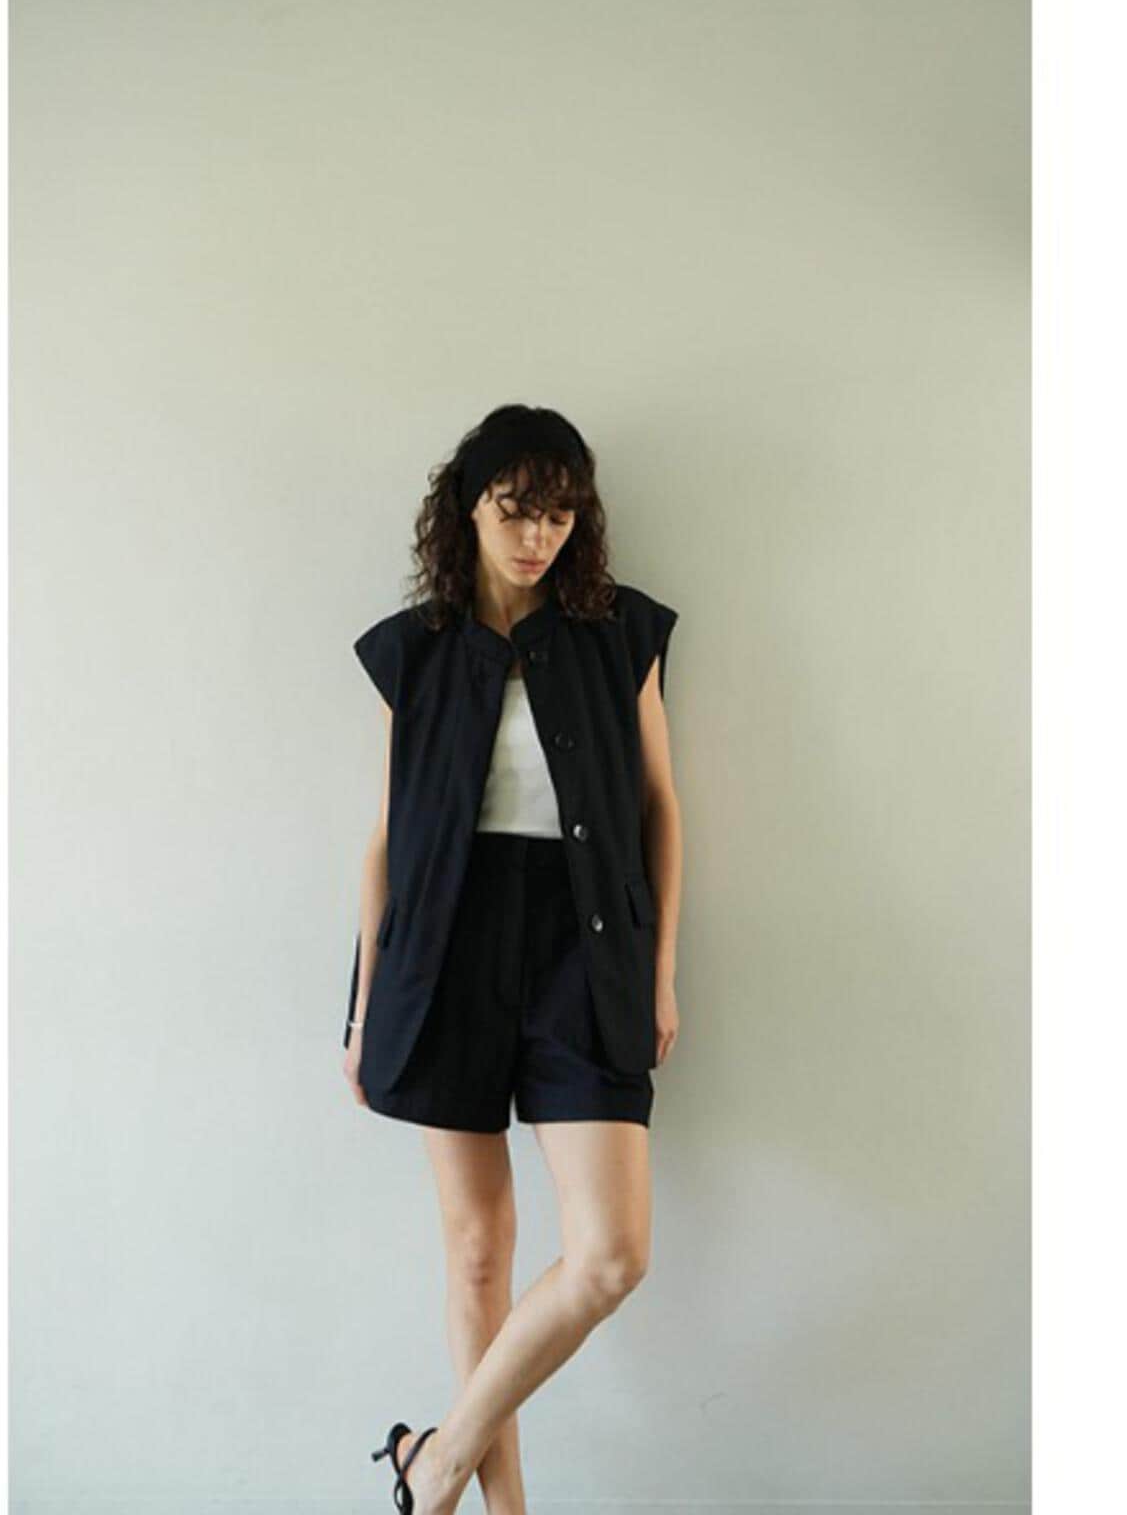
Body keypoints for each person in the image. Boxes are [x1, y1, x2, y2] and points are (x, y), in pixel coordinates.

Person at [343, 403, 682, 1515]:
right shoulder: (414, 650)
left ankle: (433, 1462)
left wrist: (660, 972)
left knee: (610, 1256)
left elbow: (659, 808)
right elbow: (387, 837)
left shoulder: (619, 634)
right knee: (478, 1248)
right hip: (443, 950)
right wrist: (362, 1009)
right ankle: (501, 1507)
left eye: (559, 513)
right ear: (468, 508)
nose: (538, 535)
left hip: (586, 948)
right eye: (514, 510)